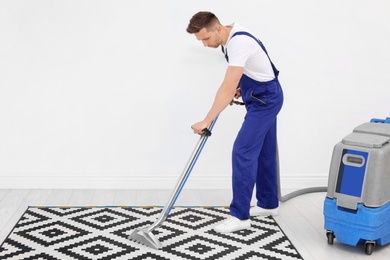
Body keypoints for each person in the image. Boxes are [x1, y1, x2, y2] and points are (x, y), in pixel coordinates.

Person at [186, 11, 284, 233]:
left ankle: (240, 216)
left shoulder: (239, 42)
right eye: (200, 41)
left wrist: (207, 120)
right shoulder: (229, 39)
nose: (204, 45)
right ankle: (269, 203)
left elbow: (227, 86)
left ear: (217, 28)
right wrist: (246, 88)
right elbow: (253, 69)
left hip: (265, 101)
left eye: (206, 39)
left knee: (242, 151)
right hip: (263, 94)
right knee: (264, 151)